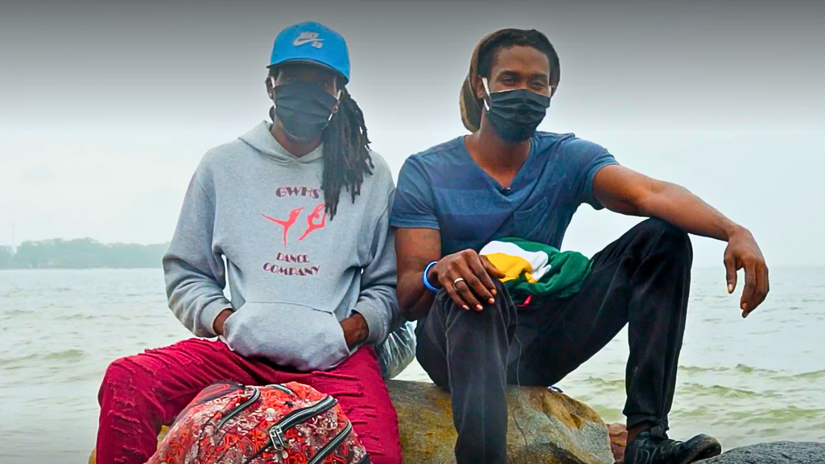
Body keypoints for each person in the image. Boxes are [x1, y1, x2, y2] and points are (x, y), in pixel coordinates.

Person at [392, 28, 769, 464]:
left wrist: (733, 230)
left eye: (537, 83)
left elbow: (650, 194)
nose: (524, 92)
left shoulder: (566, 157)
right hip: (456, 346)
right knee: (478, 285)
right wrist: (442, 269)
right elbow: (409, 295)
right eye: (509, 79)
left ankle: (646, 438)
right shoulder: (427, 170)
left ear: (552, 90)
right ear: (481, 85)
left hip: (538, 344)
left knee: (662, 239)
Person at [96, 21, 404, 464]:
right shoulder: (224, 165)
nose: (308, 90)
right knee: (128, 379)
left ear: (341, 93)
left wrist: (346, 331)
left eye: (323, 81)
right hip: (239, 355)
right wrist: (227, 322)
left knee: (377, 456)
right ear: (271, 83)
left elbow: (385, 286)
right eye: (295, 77)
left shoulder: (369, 173)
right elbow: (187, 272)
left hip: (336, 362)